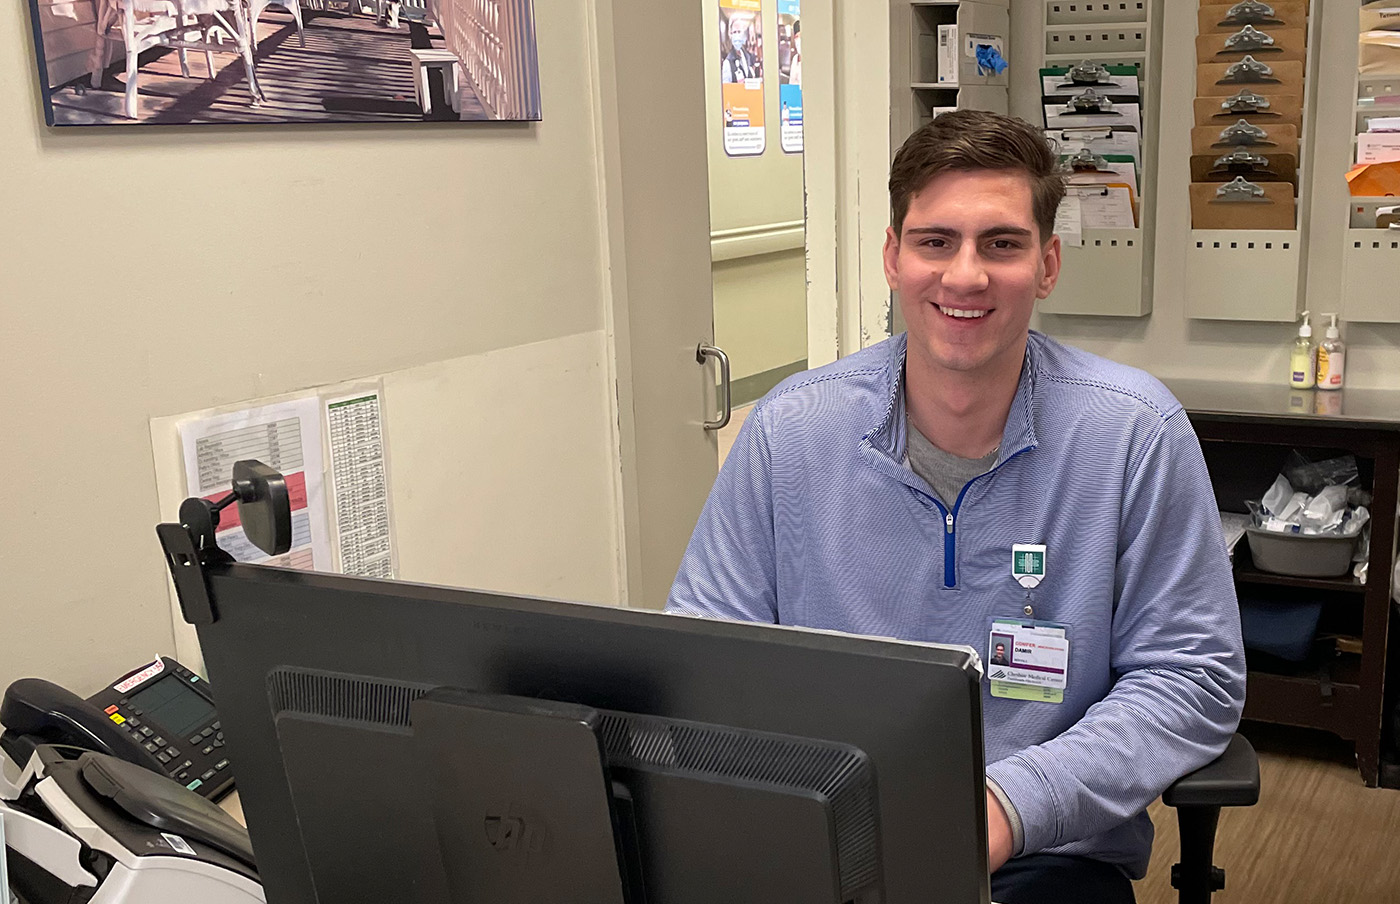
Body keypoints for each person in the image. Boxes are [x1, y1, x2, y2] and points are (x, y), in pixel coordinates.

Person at [667, 109, 1245, 904]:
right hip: (821, 835)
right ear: (893, 259)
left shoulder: (1134, 435)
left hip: (1044, 850)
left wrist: (1011, 805)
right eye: (935, 241)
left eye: (1001, 244)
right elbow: (706, 656)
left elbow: (1193, 675)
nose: (965, 275)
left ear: (1047, 265)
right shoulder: (789, 433)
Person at [721, 11, 760, 84]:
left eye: (739, 32)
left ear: (744, 35)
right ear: (731, 35)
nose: (737, 35)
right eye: (734, 32)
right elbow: (726, 89)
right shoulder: (728, 63)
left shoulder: (747, 57)